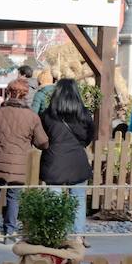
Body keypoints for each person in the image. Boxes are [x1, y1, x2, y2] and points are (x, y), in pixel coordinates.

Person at [0, 78, 49, 239]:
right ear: (25, 94)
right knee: (14, 197)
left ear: (9, 92)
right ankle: (9, 232)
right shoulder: (32, 117)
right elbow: (43, 142)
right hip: (18, 164)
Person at [39, 79, 93, 235]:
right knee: (78, 200)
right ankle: (78, 236)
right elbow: (88, 137)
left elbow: (42, 137)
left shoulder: (48, 115)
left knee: (53, 199)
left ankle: (54, 235)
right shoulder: (84, 114)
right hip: (77, 160)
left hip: (54, 160)